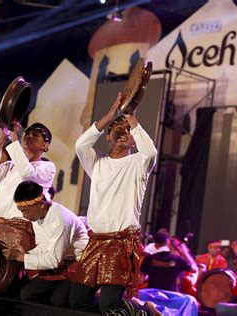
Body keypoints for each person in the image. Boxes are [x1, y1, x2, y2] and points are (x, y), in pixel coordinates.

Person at [70, 93, 158, 313]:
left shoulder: (138, 163)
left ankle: (145, 311)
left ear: (134, 139)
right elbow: (81, 145)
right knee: (77, 301)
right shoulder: (97, 162)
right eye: (116, 130)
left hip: (120, 242)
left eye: (127, 131)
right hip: (96, 241)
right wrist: (110, 116)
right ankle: (134, 307)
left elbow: (150, 152)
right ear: (107, 137)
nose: (122, 132)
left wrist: (131, 118)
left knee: (109, 306)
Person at [3, 181, 88, 307]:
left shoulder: (61, 220)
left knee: (58, 300)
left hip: (78, 264)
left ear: (41, 204)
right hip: (60, 262)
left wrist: (20, 257)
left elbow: (53, 260)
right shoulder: (37, 215)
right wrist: (26, 253)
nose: (24, 216)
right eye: (21, 211)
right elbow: (44, 246)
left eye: (26, 211)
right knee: (26, 294)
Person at [0, 122, 56, 219]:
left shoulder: (48, 168)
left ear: (45, 145)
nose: (29, 136)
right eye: (27, 133)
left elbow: (26, 173)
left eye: (35, 135)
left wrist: (13, 135)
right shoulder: (12, 165)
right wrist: (2, 138)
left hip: (21, 224)